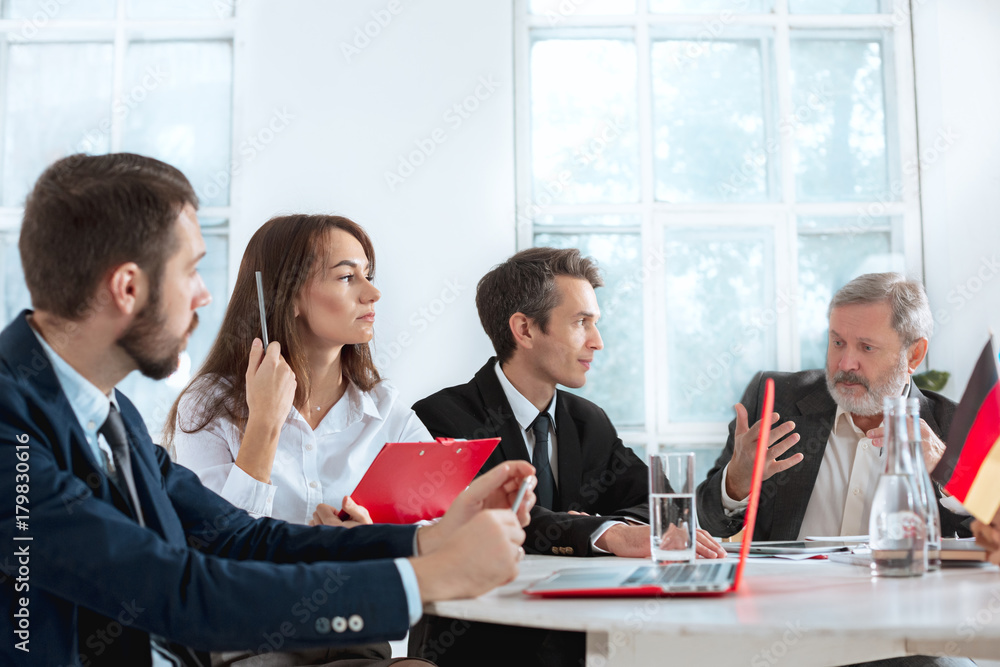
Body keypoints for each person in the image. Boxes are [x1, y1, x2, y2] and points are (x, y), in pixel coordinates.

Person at [0, 153, 535, 667]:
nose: (204, 296)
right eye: (191, 271)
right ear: (128, 287)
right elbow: (182, 592)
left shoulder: (111, 416)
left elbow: (240, 537)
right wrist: (424, 579)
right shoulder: (11, 426)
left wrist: (428, 538)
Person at [408, 247, 725, 667]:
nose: (598, 342)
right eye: (581, 323)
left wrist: (608, 526)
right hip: (475, 649)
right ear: (524, 329)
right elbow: (489, 519)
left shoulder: (588, 421)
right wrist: (604, 532)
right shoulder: (440, 417)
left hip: (580, 648)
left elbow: (658, 504)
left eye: (595, 323)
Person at [167, 214, 430, 532]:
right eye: (347, 277)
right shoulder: (208, 405)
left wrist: (369, 538)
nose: (373, 293)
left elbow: (445, 531)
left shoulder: (387, 413)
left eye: (368, 275)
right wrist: (264, 423)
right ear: (287, 297)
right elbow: (213, 538)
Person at [697, 272, 972, 542]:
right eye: (838, 342)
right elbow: (710, 523)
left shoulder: (958, 428)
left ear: (914, 355)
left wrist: (951, 474)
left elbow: (984, 540)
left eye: (866, 347)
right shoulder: (775, 399)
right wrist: (736, 481)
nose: (845, 364)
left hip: (899, 573)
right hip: (786, 574)